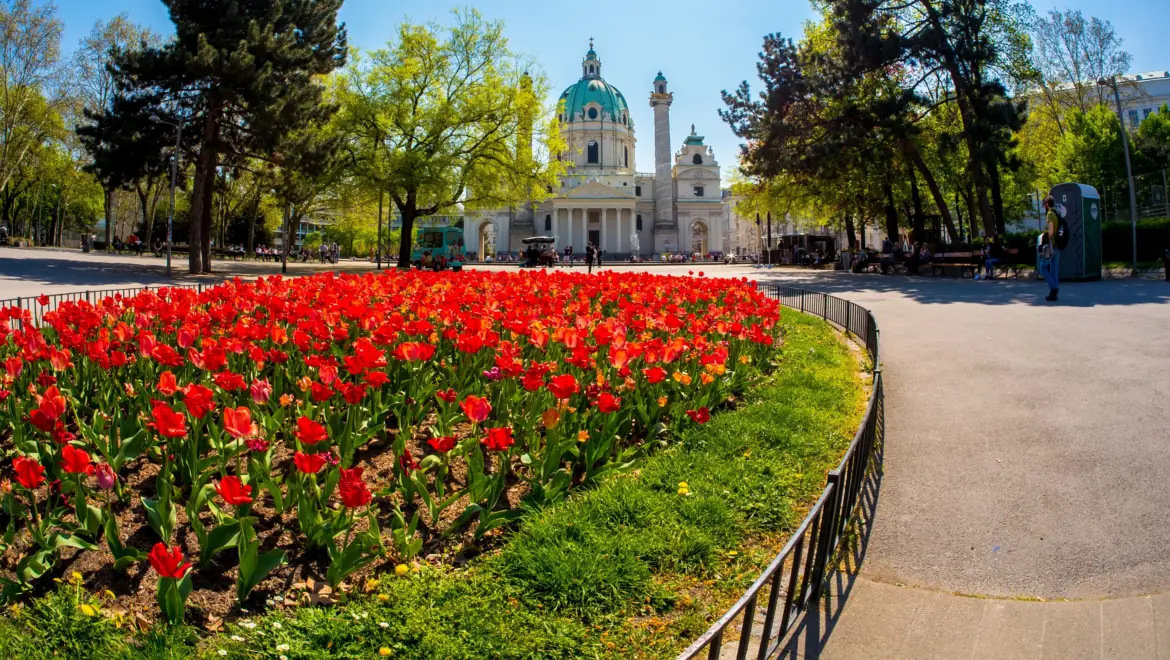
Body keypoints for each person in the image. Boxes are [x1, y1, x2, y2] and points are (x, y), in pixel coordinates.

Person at [1041, 196, 1061, 301]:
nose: (1044, 206)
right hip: (1058, 244)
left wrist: (1045, 236)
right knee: (1054, 269)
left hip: (1051, 244)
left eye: (1044, 204)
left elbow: (1051, 231)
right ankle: (1054, 293)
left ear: (1047, 204)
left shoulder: (1050, 214)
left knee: (1042, 267)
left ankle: (1053, 289)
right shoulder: (1057, 213)